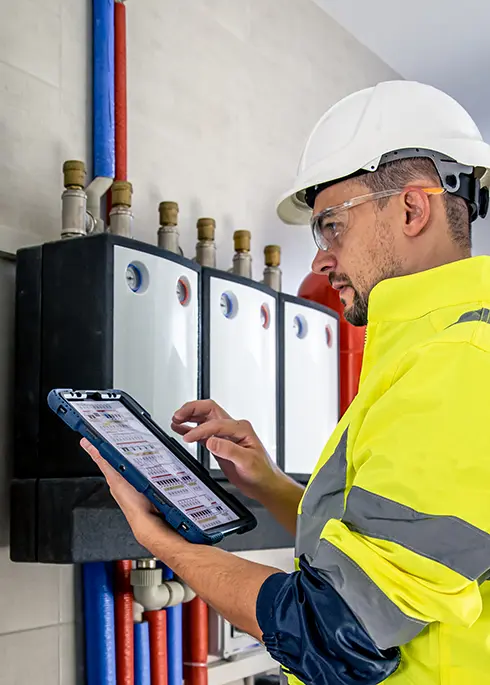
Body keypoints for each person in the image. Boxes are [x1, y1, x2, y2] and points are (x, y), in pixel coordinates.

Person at [83, 80, 490, 684]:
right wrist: (270, 483)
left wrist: (167, 546)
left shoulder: (458, 365)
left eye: (331, 226)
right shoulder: (431, 353)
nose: (320, 261)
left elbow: (336, 633)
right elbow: (388, 558)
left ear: (411, 208)